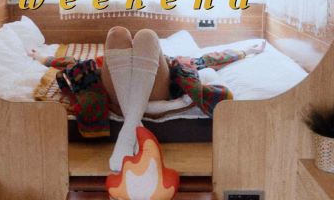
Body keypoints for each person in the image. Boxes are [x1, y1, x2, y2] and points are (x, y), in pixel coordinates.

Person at [30, 27, 266, 171]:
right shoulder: (106, 60)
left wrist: (244, 51)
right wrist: (44, 58)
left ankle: (128, 131)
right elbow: (74, 63)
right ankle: (133, 127)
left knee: (147, 35)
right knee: (117, 33)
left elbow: (206, 59)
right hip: (117, 91)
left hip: (153, 87)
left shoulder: (169, 59)